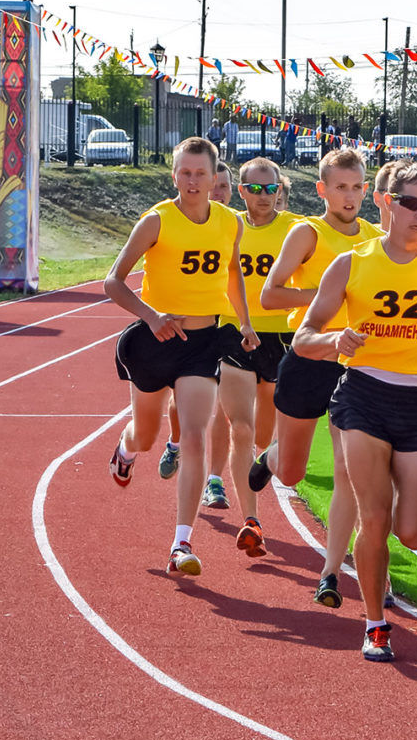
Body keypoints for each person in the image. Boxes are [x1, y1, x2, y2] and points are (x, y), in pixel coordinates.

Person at [293, 161, 417, 661]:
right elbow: (304, 338)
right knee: (373, 517)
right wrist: (336, 338)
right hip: (363, 396)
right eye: (410, 203)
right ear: (387, 203)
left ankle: (374, 551)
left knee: (414, 533)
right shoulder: (353, 263)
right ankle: (375, 624)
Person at [104, 136, 257, 577]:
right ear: (174, 175)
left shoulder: (230, 222)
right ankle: (126, 450)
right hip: (156, 341)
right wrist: (151, 317)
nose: (192, 181)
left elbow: (232, 275)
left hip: (204, 341)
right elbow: (113, 282)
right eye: (185, 173)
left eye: (201, 174)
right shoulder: (156, 221)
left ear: (215, 178)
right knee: (148, 434)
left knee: (193, 435)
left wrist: (243, 322)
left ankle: (181, 543)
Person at [251, 149, 383, 606]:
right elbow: (270, 296)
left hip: (357, 362)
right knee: (291, 470)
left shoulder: (375, 238)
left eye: (357, 186)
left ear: (367, 190)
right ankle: (270, 457)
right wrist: (328, 292)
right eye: (340, 187)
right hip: (309, 356)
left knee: (350, 473)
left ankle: (331, 572)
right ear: (322, 190)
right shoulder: (307, 233)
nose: (350, 196)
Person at [212, 157, 297, 556]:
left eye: (271, 188)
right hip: (235, 332)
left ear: (280, 188)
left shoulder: (296, 231)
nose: (264, 196)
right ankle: (251, 520)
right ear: (241, 190)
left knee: (264, 437)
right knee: (241, 429)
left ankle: (259, 468)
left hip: (282, 337)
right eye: (255, 188)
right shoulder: (227, 226)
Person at [159, 161, 236, 485]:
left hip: (226, 326)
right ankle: (175, 443)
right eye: (213, 187)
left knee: (223, 407)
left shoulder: (234, 225)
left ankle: (213, 479)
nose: (217, 194)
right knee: (182, 399)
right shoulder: (181, 223)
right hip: (192, 326)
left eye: (223, 188)